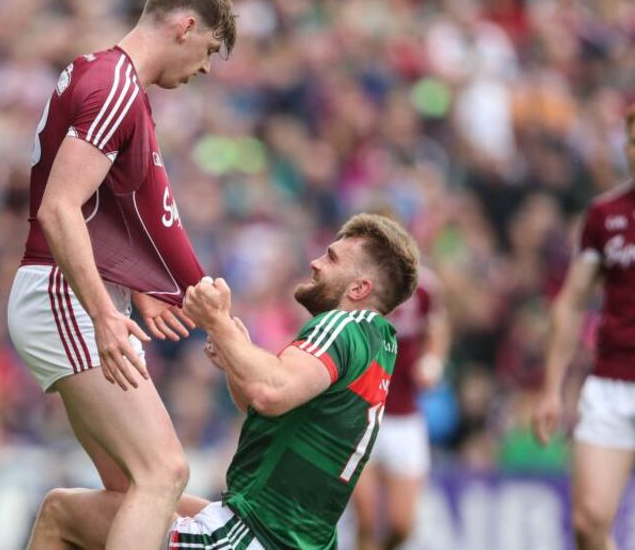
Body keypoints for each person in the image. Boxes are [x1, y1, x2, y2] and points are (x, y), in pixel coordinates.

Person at [6, 0, 237, 548]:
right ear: (185, 26)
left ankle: (59, 523)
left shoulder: (106, 75)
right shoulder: (116, 85)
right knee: (165, 474)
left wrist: (132, 288)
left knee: (136, 488)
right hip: (66, 294)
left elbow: (96, 207)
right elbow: (59, 208)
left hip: (75, 293)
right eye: (209, 49)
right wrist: (103, 315)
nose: (206, 68)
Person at [28, 213, 421, 550]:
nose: (316, 262)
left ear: (359, 289)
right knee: (147, 503)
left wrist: (216, 321)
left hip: (248, 537)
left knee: (60, 510)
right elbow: (261, 407)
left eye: (332, 258)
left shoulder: (342, 325)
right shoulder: (378, 345)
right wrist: (234, 353)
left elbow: (271, 391)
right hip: (281, 536)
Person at [533, 102, 635, 550]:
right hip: (611, 380)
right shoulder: (604, 215)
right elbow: (570, 305)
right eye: (632, 139)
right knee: (589, 522)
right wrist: (552, 388)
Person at [351, 266, 450, 550]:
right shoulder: (356, 284)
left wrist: (433, 362)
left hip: (405, 417)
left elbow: (438, 329)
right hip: (360, 415)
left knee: (402, 525)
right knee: (366, 519)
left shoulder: (425, 287)